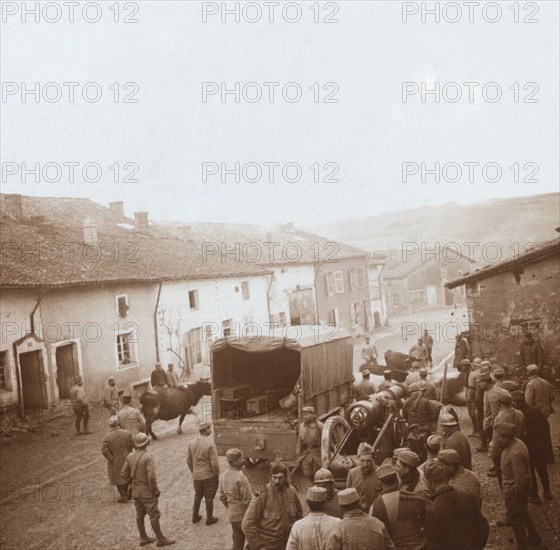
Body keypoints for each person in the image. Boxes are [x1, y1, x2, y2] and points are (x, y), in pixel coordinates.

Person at [121, 432, 175, 547]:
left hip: (136, 490)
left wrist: (133, 483)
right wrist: (155, 490)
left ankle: (143, 537)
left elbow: (123, 474)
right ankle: (160, 539)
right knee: (154, 514)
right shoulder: (148, 457)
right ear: (147, 443)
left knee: (139, 514)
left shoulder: (130, 456)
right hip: (147, 491)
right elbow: (151, 477)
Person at [494, 422, 542, 549]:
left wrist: (516, 498)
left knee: (516, 520)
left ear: (507, 437)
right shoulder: (515, 444)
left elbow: (521, 478)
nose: (497, 440)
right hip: (516, 488)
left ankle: (522, 545)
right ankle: (534, 536)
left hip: (515, 489)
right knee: (524, 512)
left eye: (499, 437)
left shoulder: (515, 453)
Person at [423, 460, 488, 550]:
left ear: (429, 483)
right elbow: (483, 525)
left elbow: (434, 544)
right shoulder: (466, 495)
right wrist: (478, 546)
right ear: (446, 477)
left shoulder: (433, 509)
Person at [242, 461, 303, 550]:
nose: (277, 481)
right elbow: (247, 524)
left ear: (286, 477)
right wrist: (258, 547)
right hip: (268, 546)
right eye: (274, 477)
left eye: (280, 477)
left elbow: (299, 514)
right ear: (270, 477)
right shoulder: (263, 494)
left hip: (288, 544)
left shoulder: (292, 491)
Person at [371, 463, 427, 550]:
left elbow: (377, 537)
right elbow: (426, 523)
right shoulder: (415, 498)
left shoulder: (376, 505)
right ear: (397, 478)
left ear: (380, 482)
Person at [512, 390, 553, 503]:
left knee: (530, 471)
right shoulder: (536, 410)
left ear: (516, 402)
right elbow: (546, 426)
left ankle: (534, 495)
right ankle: (547, 491)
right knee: (542, 469)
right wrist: (544, 442)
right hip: (540, 446)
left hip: (527, 447)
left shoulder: (518, 415)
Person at [325, 487, 395, 550]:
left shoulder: (338, 529)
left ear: (340, 508)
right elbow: (390, 547)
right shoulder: (377, 523)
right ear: (359, 503)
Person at [187, 421, 220, 525]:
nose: (211, 429)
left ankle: (195, 517)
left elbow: (188, 460)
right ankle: (209, 519)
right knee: (209, 497)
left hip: (197, 476)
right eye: (209, 428)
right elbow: (214, 463)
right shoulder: (210, 443)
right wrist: (216, 473)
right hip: (209, 475)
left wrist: (194, 471)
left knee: (198, 495)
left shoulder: (191, 443)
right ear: (205, 430)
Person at [219, 448, 253, 550]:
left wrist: (231, 507)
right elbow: (248, 499)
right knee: (254, 542)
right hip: (243, 516)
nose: (243, 460)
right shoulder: (241, 477)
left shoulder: (223, 476)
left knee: (238, 544)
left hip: (232, 516)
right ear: (234, 461)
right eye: (241, 459)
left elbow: (222, 497)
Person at [491, 392, 526, 483]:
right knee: (519, 471)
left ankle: (506, 493)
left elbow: (496, 440)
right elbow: (524, 432)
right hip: (518, 446)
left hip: (504, 450)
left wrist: (494, 456)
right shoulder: (520, 413)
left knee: (504, 474)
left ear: (499, 403)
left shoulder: (499, 417)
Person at [102, 415, 135, 503]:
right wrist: (129, 452)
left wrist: (111, 459)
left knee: (117, 478)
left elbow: (104, 451)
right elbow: (133, 444)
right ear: (118, 423)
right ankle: (129, 493)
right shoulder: (127, 433)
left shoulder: (107, 437)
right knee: (127, 475)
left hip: (115, 461)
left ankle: (123, 495)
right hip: (127, 458)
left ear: (110, 425)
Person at [476, 372, 511, 454]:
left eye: (480, 383)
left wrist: (492, 426)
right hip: (488, 419)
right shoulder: (488, 391)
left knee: (494, 444)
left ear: (485, 382)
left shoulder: (492, 394)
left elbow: (494, 413)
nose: (479, 385)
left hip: (492, 422)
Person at [346, 442, 382, 512]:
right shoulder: (352, 473)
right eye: (362, 461)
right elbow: (348, 496)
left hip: (376, 513)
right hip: (357, 514)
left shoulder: (380, 473)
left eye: (368, 461)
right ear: (358, 459)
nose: (365, 464)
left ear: (373, 460)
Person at [296, 406, 324, 479]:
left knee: (321, 472)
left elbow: (326, 442)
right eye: (303, 415)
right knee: (307, 473)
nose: (304, 417)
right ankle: (311, 482)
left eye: (307, 414)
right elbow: (299, 440)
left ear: (313, 415)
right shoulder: (302, 426)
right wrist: (298, 453)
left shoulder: (320, 426)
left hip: (318, 453)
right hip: (307, 453)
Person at [465, 358, 481, 436]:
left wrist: (469, 398)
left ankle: (475, 429)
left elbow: (471, 388)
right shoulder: (484, 372)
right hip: (482, 395)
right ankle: (479, 430)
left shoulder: (473, 374)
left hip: (474, 394)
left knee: (473, 413)